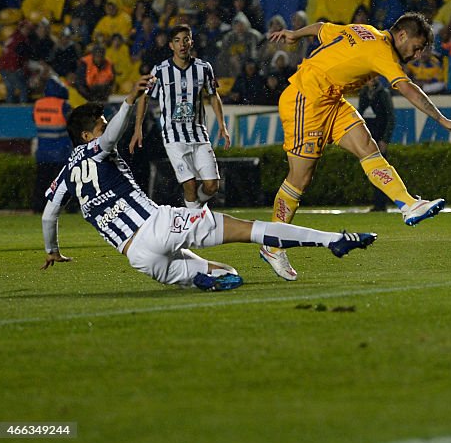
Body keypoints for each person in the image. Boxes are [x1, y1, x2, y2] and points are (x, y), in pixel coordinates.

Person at [40, 77, 376, 291]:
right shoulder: (94, 149)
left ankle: (200, 277)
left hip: (139, 258)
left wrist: (52, 251)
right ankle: (334, 240)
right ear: (85, 137)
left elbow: (48, 215)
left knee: (229, 274)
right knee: (253, 230)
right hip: (158, 225)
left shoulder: (65, 176)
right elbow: (111, 136)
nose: (105, 128)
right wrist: (128, 101)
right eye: (99, 125)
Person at [260, 13, 451, 281]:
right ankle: (272, 243)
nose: (416, 55)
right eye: (417, 47)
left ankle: (408, 204)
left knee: (368, 147)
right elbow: (408, 90)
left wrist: (296, 33)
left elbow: (324, 28)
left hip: (330, 99)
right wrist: (443, 120)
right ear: (403, 36)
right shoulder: (382, 51)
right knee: (300, 179)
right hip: (306, 99)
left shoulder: (364, 30)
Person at [130, 25, 230, 211]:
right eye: (177, 40)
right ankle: (194, 222)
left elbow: (213, 95)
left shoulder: (203, 68)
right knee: (190, 184)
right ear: (171, 45)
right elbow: (144, 97)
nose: (182, 44)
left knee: (212, 186)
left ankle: (193, 207)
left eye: (186, 39)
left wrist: (223, 126)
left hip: (199, 135)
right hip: (173, 137)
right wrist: (138, 129)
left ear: (191, 42)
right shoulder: (160, 71)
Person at [32, 75, 72, 212]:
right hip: (61, 152)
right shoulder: (64, 105)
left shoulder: (38, 104)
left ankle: (38, 207)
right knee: (65, 183)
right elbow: (72, 124)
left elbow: (35, 121)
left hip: (43, 152)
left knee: (42, 182)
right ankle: (69, 208)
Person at [356, 76, 396, 212]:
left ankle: (381, 203)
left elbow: (390, 117)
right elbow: (360, 115)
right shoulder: (363, 93)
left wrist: (385, 139)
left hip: (379, 137)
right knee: (372, 170)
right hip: (370, 136)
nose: (371, 80)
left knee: (381, 170)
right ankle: (378, 202)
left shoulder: (383, 93)